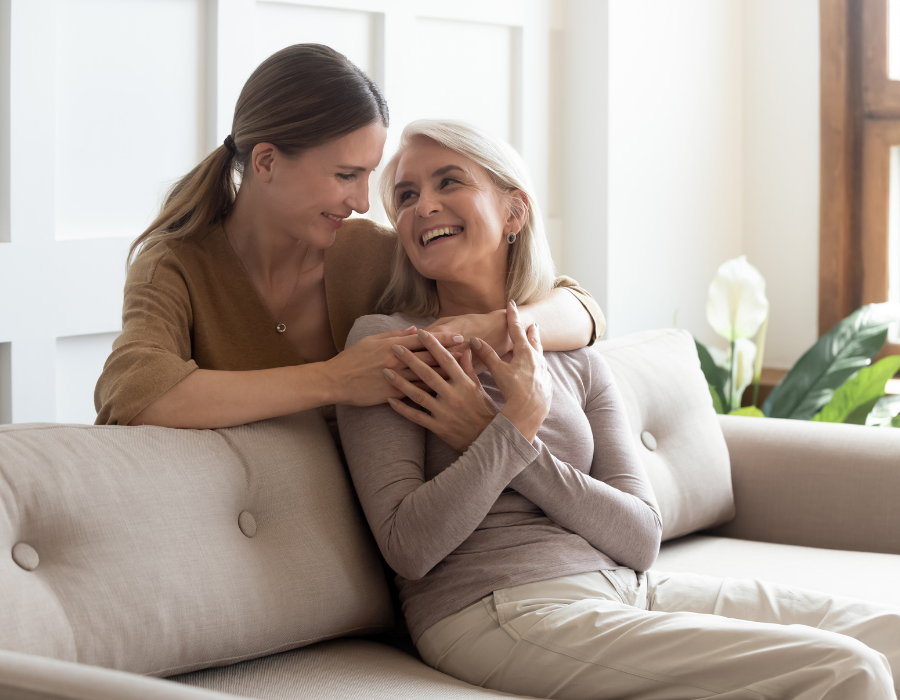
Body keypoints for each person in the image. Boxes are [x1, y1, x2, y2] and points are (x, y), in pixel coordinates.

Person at [336, 119, 900, 700]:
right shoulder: (394, 345)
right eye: (405, 195)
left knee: (893, 639)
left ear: (514, 212)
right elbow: (409, 547)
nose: (423, 206)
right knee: (846, 670)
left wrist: (500, 435)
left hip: (628, 587)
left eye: (448, 182)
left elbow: (640, 537)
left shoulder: (575, 358)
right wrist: (513, 428)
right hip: (495, 609)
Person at [94, 44, 603, 429]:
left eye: (369, 175)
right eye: (345, 175)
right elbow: (130, 394)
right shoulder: (174, 264)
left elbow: (582, 308)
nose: (363, 201)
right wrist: (337, 378)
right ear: (266, 161)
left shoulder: (369, 252)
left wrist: (492, 327)